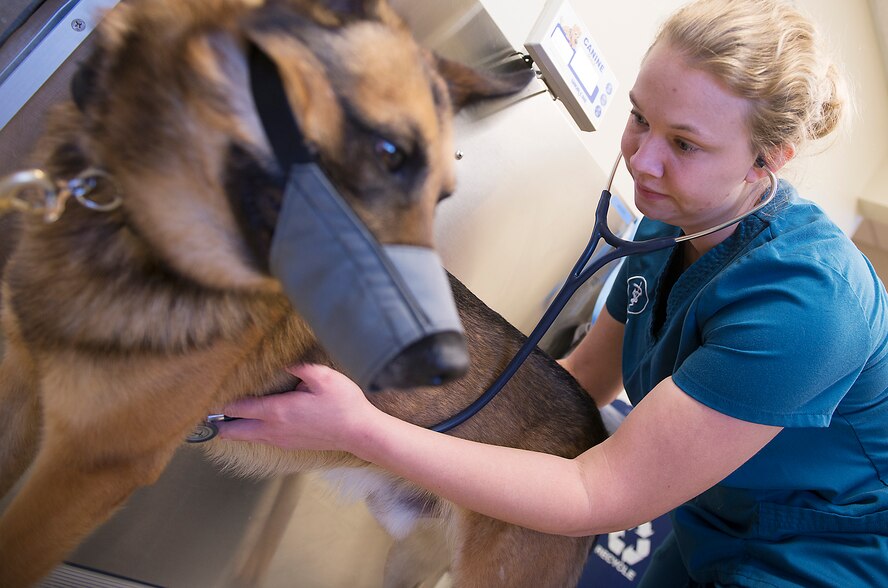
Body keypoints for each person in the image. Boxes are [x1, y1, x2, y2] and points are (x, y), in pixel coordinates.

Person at [218, 0, 888, 585]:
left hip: (827, 558)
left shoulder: (807, 310)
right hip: (713, 521)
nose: (642, 160)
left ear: (767, 162)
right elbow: (578, 382)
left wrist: (366, 432)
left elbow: (597, 491)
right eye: (639, 117)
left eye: (684, 143)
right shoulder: (669, 221)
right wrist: (432, 448)